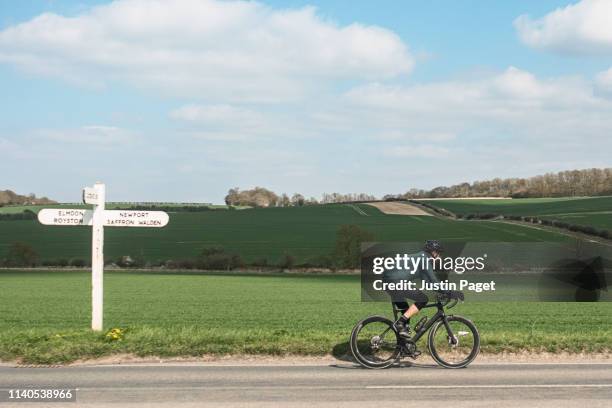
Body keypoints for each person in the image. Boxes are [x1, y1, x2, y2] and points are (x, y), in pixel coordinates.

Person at [383, 240, 445, 339]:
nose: (439, 256)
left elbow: (429, 284)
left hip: (388, 281)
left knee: (406, 312)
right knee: (422, 299)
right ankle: (400, 323)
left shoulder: (420, 258)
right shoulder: (424, 258)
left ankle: (405, 346)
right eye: (438, 252)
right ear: (433, 252)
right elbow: (433, 281)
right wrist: (450, 292)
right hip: (395, 281)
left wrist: (440, 291)